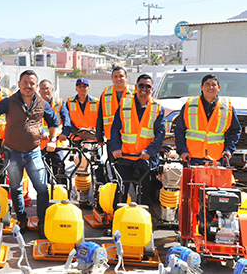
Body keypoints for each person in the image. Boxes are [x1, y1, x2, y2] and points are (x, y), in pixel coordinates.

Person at [0, 70, 59, 238]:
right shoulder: (9, 102)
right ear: (19, 84)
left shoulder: (42, 103)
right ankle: (22, 219)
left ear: (36, 86)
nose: (28, 86)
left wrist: (52, 139)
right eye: (25, 82)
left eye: (32, 83)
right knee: (16, 188)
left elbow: (54, 121)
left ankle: (42, 221)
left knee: (41, 188)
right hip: (12, 152)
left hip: (33, 152)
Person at [110, 74, 165, 212]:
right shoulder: (125, 104)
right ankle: (117, 218)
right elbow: (115, 128)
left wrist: (149, 152)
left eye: (147, 86)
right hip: (126, 156)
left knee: (144, 193)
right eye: (141, 85)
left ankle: (146, 220)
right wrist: (116, 147)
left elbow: (160, 134)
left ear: (152, 89)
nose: (144, 89)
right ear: (136, 87)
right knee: (121, 191)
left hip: (144, 157)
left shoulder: (157, 107)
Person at [174, 74, 241, 165]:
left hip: (216, 158)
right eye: (207, 84)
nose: (211, 87)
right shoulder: (189, 105)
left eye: (214, 85)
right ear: (201, 87)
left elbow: (235, 130)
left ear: (219, 87)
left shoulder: (227, 107)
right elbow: (179, 130)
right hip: (191, 157)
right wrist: (182, 150)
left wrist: (228, 150)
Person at [96, 66, 135, 161]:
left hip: (130, 138)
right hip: (112, 138)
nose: (118, 79)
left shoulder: (134, 92)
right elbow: (100, 116)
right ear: (112, 78)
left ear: (126, 77)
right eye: (115, 76)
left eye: (121, 76)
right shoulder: (106, 93)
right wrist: (99, 137)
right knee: (114, 167)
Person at [38, 79, 71, 181]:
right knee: (43, 170)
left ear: (52, 90)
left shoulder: (59, 102)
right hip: (41, 143)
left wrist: (65, 133)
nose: (45, 91)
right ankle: (45, 193)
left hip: (57, 142)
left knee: (60, 168)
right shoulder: (35, 104)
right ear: (39, 91)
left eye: (47, 88)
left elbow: (67, 120)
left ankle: (63, 191)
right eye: (42, 89)